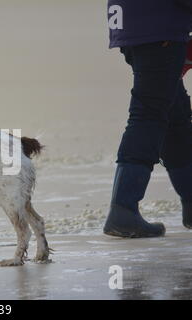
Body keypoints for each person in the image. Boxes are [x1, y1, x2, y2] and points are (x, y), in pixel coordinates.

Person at [103, 0, 192, 238]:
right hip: (157, 28)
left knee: (175, 116)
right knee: (148, 115)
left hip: (132, 23)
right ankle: (123, 209)